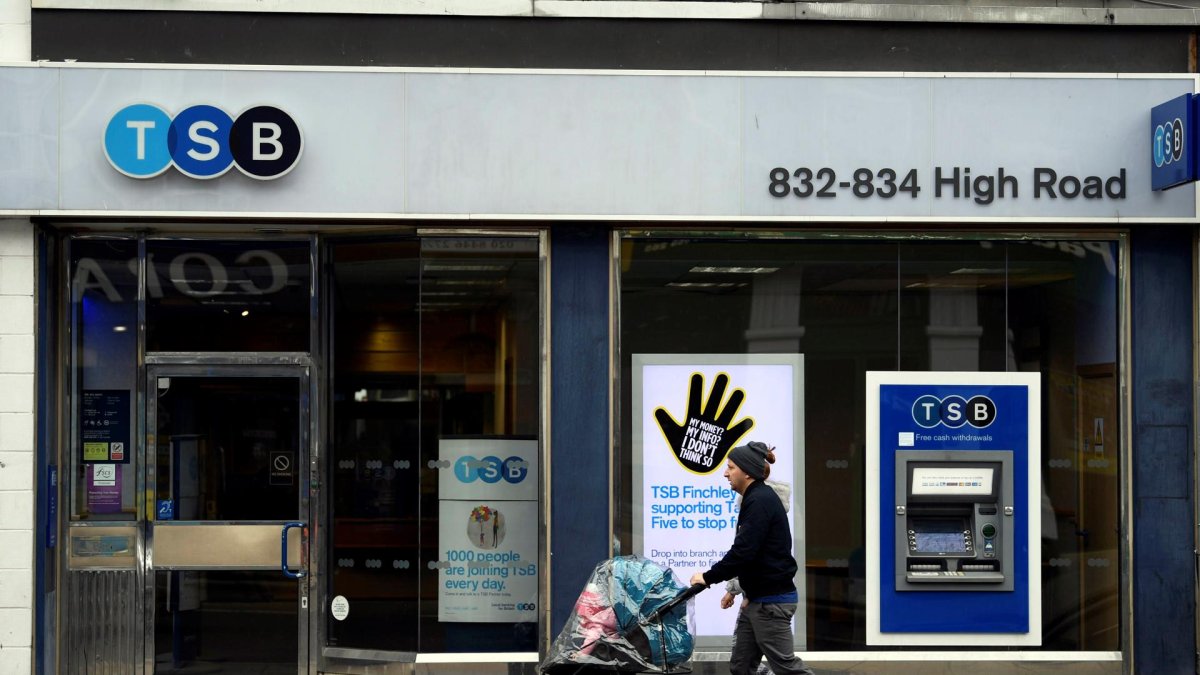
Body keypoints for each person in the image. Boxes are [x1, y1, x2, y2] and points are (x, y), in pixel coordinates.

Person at [690, 441, 814, 675]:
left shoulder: (759, 501)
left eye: (731, 467)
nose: (725, 473)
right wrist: (743, 589)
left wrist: (707, 577)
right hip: (758, 599)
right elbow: (756, 555)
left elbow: (743, 552)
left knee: (787, 668)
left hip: (770, 604)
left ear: (747, 472)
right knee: (742, 667)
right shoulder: (755, 498)